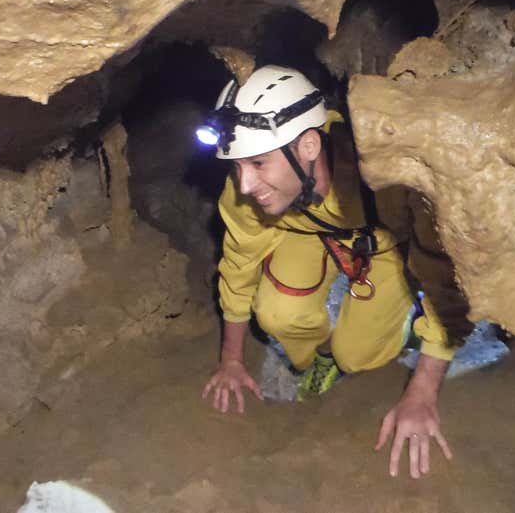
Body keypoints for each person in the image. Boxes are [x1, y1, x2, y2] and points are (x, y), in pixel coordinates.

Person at [196, 65, 462, 479]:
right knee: (278, 313)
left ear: (307, 145)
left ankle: (398, 327)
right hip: (305, 233)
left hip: (388, 242)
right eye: (237, 167)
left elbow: (450, 278)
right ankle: (321, 357)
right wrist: (231, 359)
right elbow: (238, 265)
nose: (245, 185)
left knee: (358, 355)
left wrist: (423, 392)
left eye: (259, 164)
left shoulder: (385, 174)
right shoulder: (249, 194)